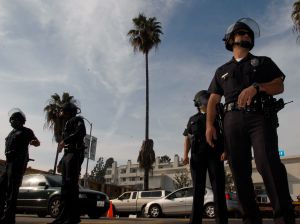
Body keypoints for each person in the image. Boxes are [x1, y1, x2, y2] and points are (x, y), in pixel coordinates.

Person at [206, 17, 295, 224]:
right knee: (239, 172)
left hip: (259, 118)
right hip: (231, 122)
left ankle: (284, 219)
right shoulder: (221, 71)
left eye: (249, 33)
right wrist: (210, 125)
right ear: (231, 39)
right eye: (242, 32)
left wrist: (258, 87)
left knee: (268, 165)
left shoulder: (263, 62)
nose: (247, 35)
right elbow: (213, 99)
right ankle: (251, 220)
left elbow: (278, 86)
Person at [183, 90, 228, 224]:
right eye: (206, 98)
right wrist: (185, 155)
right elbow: (187, 138)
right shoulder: (192, 119)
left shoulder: (219, 115)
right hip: (197, 158)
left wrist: (226, 150)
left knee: (218, 190)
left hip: (215, 156)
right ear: (199, 102)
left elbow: (227, 133)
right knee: (198, 191)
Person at [0, 108, 40, 224]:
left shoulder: (26, 131)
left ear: (20, 120)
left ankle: (9, 218)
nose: (12, 121)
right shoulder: (11, 133)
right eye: (11, 119)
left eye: (14, 119)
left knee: (12, 191)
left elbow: (36, 142)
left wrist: (34, 143)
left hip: (18, 163)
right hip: (8, 163)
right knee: (1, 188)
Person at [50, 102, 86, 224]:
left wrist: (65, 140)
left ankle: (73, 216)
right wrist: (61, 162)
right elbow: (66, 147)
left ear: (68, 111)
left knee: (71, 186)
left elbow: (81, 132)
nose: (60, 112)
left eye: (62, 110)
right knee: (65, 187)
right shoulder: (67, 123)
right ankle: (63, 215)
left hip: (75, 154)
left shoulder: (77, 120)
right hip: (68, 155)